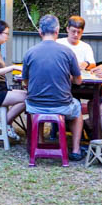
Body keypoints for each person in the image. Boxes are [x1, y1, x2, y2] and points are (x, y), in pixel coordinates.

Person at [22, 15, 85, 161]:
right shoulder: (68, 52)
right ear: (57, 31)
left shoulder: (30, 52)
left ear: (39, 31)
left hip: (34, 106)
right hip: (62, 105)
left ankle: (39, 143)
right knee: (78, 109)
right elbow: (78, 81)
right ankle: (75, 150)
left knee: (32, 104)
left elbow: (25, 81)